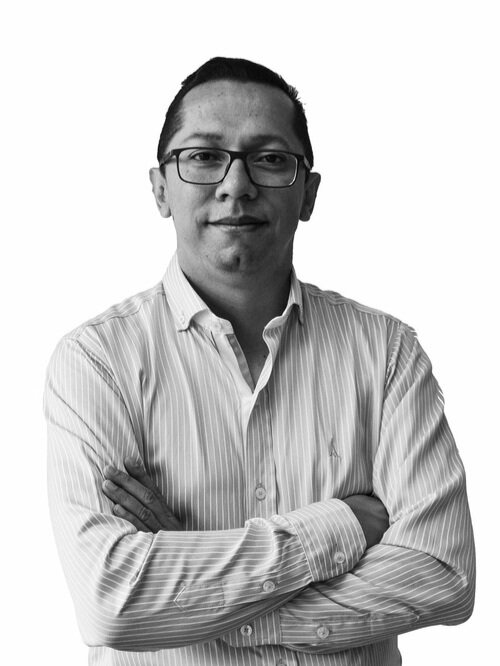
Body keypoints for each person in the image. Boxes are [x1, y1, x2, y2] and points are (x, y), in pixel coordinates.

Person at [45, 57, 475, 666]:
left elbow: (442, 576)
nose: (236, 184)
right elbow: (111, 603)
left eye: (270, 158)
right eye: (203, 156)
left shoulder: (388, 354)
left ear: (309, 193)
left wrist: (196, 585)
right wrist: (341, 526)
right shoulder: (97, 361)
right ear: (160, 188)